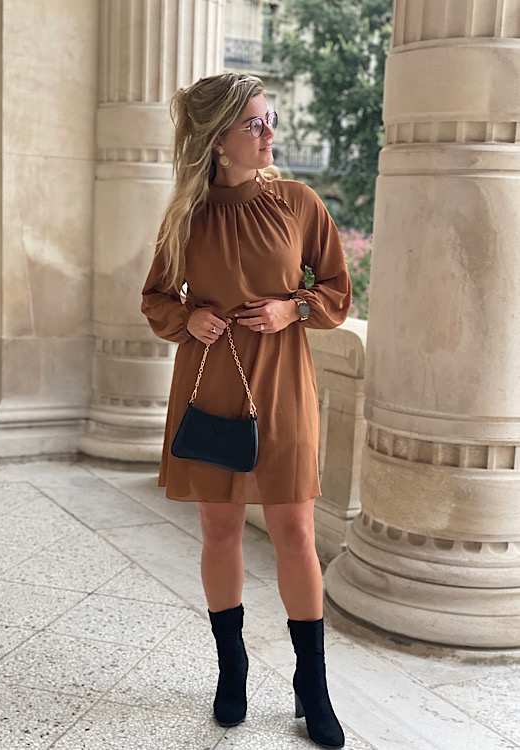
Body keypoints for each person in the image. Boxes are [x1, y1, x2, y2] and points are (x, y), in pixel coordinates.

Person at [141, 72, 352, 749]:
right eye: (254, 124)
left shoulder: (298, 203)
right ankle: (231, 670)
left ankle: (312, 685)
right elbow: (155, 298)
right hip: (211, 381)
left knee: (295, 530)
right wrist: (188, 318)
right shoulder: (186, 216)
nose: (269, 134)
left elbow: (337, 289)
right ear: (218, 140)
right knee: (219, 529)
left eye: (270, 120)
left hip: (283, 382)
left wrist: (294, 308)